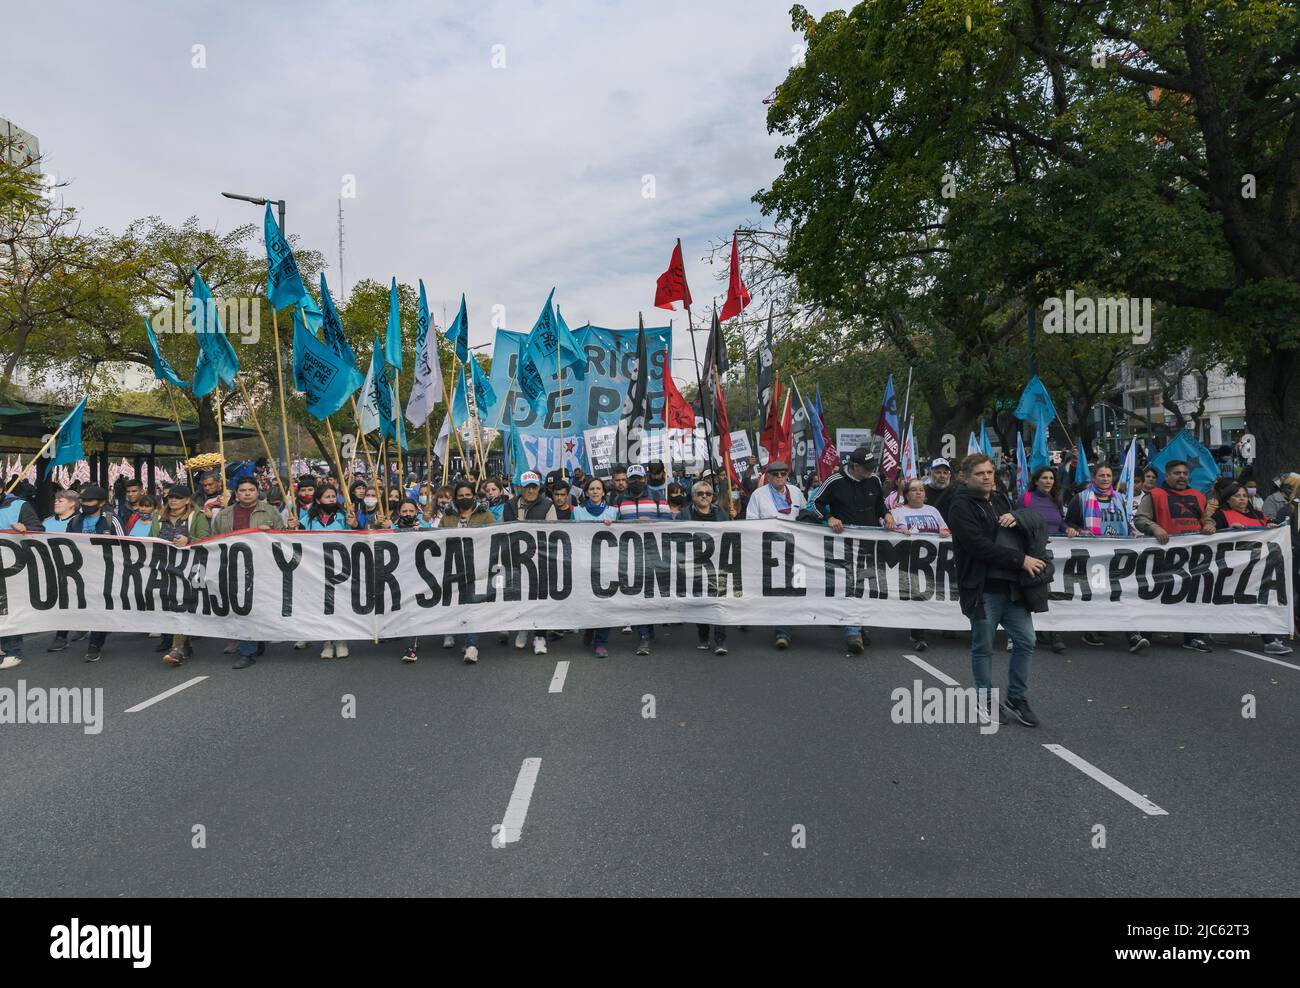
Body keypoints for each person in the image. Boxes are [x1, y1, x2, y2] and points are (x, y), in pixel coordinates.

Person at [948, 453, 1047, 728]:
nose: (987, 477)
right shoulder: (960, 507)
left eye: (990, 472)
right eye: (980, 474)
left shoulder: (1001, 498)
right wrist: (1020, 560)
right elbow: (977, 546)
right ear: (965, 478)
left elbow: (1026, 520)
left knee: (1026, 641)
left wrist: (1017, 518)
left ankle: (1017, 697)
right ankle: (986, 700)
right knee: (984, 648)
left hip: (1013, 588)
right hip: (982, 589)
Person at [1203, 482, 1293, 656]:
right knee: (1226, 600)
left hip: (1258, 569)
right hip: (1232, 568)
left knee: (1264, 600)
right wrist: (1228, 530)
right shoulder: (1222, 514)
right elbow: (1211, 532)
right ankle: (1215, 628)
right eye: (1237, 496)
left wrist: (1273, 528)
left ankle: (1270, 640)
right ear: (1228, 500)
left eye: (1244, 495)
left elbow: (1273, 529)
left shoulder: (1259, 515)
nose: (1242, 499)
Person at [1133, 460, 1214, 652]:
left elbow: (1206, 518)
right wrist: (1154, 527)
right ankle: (1145, 634)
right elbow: (1140, 518)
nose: (1182, 477)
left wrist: (1210, 525)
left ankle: (1193, 637)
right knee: (1156, 594)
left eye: (1185, 473)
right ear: (1167, 476)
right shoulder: (1155, 495)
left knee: (1193, 595)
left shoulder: (1199, 496)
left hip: (1193, 556)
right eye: (1177, 473)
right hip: (1164, 555)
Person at [811, 447, 885, 653]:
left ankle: (860, 624)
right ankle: (853, 630)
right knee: (851, 584)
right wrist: (829, 518)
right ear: (854, 466)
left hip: (870, 542)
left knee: (866, 585)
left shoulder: (875, 480)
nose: (871, 471)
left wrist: (886, 515)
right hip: (843, 543)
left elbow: (880, 505)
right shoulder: (834, 481)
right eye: (867, 468)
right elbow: (815, 504)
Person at [417, 481, 495, 664]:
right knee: (458, 603)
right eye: (461, 496)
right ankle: (455, 634)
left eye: (468, 495)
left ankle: (471, 646)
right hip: (452, 567)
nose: (465, 498)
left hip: (477, 567)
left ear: (474, 496)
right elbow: (439, 538)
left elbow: (495, 535)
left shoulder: (485, 515)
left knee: (470, 603)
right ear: (456, 498)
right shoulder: (448, 516)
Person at [744, 460, 807, 649]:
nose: (779, 477)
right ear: (768, 476)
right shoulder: (758, 495)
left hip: (797, 550)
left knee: (796, 588)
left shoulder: (795, 492)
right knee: (781, 590)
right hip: (771, 550)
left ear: (787, 475)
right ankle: (782, 630)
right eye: (775, 474)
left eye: (783, 473)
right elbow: (751, 521)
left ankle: (789, 621)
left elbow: (804, 514)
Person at [884, 477, 951, 652]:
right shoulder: (897, 512)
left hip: (934, 562)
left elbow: (945, 529)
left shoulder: (933, 511)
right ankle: (919, 634)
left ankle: (937, 626)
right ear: (906, 494)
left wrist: (944, 532)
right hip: (909, 562)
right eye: (914, 489)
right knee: (918, 596)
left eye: (921, 489)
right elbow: (885, 528)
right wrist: (898, 530)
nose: (919, 492)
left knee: (932, 594)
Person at [148, 484, 212, 665]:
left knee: (182, 604)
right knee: (171, 604)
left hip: (191, 566)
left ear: (187, 500)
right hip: (166, 566)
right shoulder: (158, 517)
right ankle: (186, 645)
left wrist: (189, 540)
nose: (173, 500)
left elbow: (208, 540)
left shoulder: (196, 517)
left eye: (178, 497)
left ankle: (177, 648)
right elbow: (151, 538)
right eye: (171, 497)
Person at [64, 485, 126, 663]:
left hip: (106, 571)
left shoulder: (111, 520)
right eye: (83, 501)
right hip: (82, 572)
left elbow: (125, 545)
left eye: (90, 501)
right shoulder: (75, 521)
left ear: (102, 503)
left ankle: (95, 644)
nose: (85, 504)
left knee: (101, 607)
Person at [616, 464, 674, 654]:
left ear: (645, 478)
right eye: (632, 479)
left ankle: (648, 628)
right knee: (638, 595)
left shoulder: (658, 497)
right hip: (630, 554)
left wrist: (653, 523)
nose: (636, 482)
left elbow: (670, 524)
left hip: (653, 553)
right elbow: (612, 522)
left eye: (639, 478)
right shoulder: (618, 499)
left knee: (650, 593)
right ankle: (643, 636)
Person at [1015, 467, 1068, 654]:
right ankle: (1047, 634)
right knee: (1039, 592)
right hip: (1034, 553)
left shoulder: (1056, 500)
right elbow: (1017, 521)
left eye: (1051, 478)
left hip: (1056, 554)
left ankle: (1052, 632)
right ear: (1036, 481)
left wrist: (1068, 529)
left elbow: (1061, 523)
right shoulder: (1026, 499)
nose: (1048, 481)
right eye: (1044, 478)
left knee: (1054, 594)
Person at [505, 472, 557, 653]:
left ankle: (539, 636)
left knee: (540, 598)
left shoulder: (547, 505)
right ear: (521, 488)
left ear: (539, 488)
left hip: (540, 559)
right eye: (527, 487)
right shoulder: (510, 506)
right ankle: (523, 628)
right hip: (518, 560)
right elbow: (505, 530)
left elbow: (553, 531)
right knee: (520, 597)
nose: (531, 490)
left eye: (534, 487)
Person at [677, 479, 730, 655]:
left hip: (718, 564)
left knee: (719, 601)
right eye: (700, 494)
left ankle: (720, 639)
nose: (704, 497)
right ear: (693, 496)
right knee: (701, 600)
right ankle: (703, 635)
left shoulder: (721, 513)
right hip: (695, 565)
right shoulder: (683, 515)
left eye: (708, 494)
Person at [0, 484, 46, 670]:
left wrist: (25, 528)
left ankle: (13, 650)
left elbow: (39, 529)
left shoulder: (19, 506)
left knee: (7, 608)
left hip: (11, 566)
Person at [573, 476, 618, 656]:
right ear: (586, 492)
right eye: (592, 489)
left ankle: (601, 643)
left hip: (606, 565)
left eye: (598, 488)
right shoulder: (577, 512)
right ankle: (590, 628)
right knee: (587, 602)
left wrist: (613, 526)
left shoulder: (613, 512)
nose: (595, 492)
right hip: (584, 563)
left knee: (605, 604)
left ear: (604, 492)